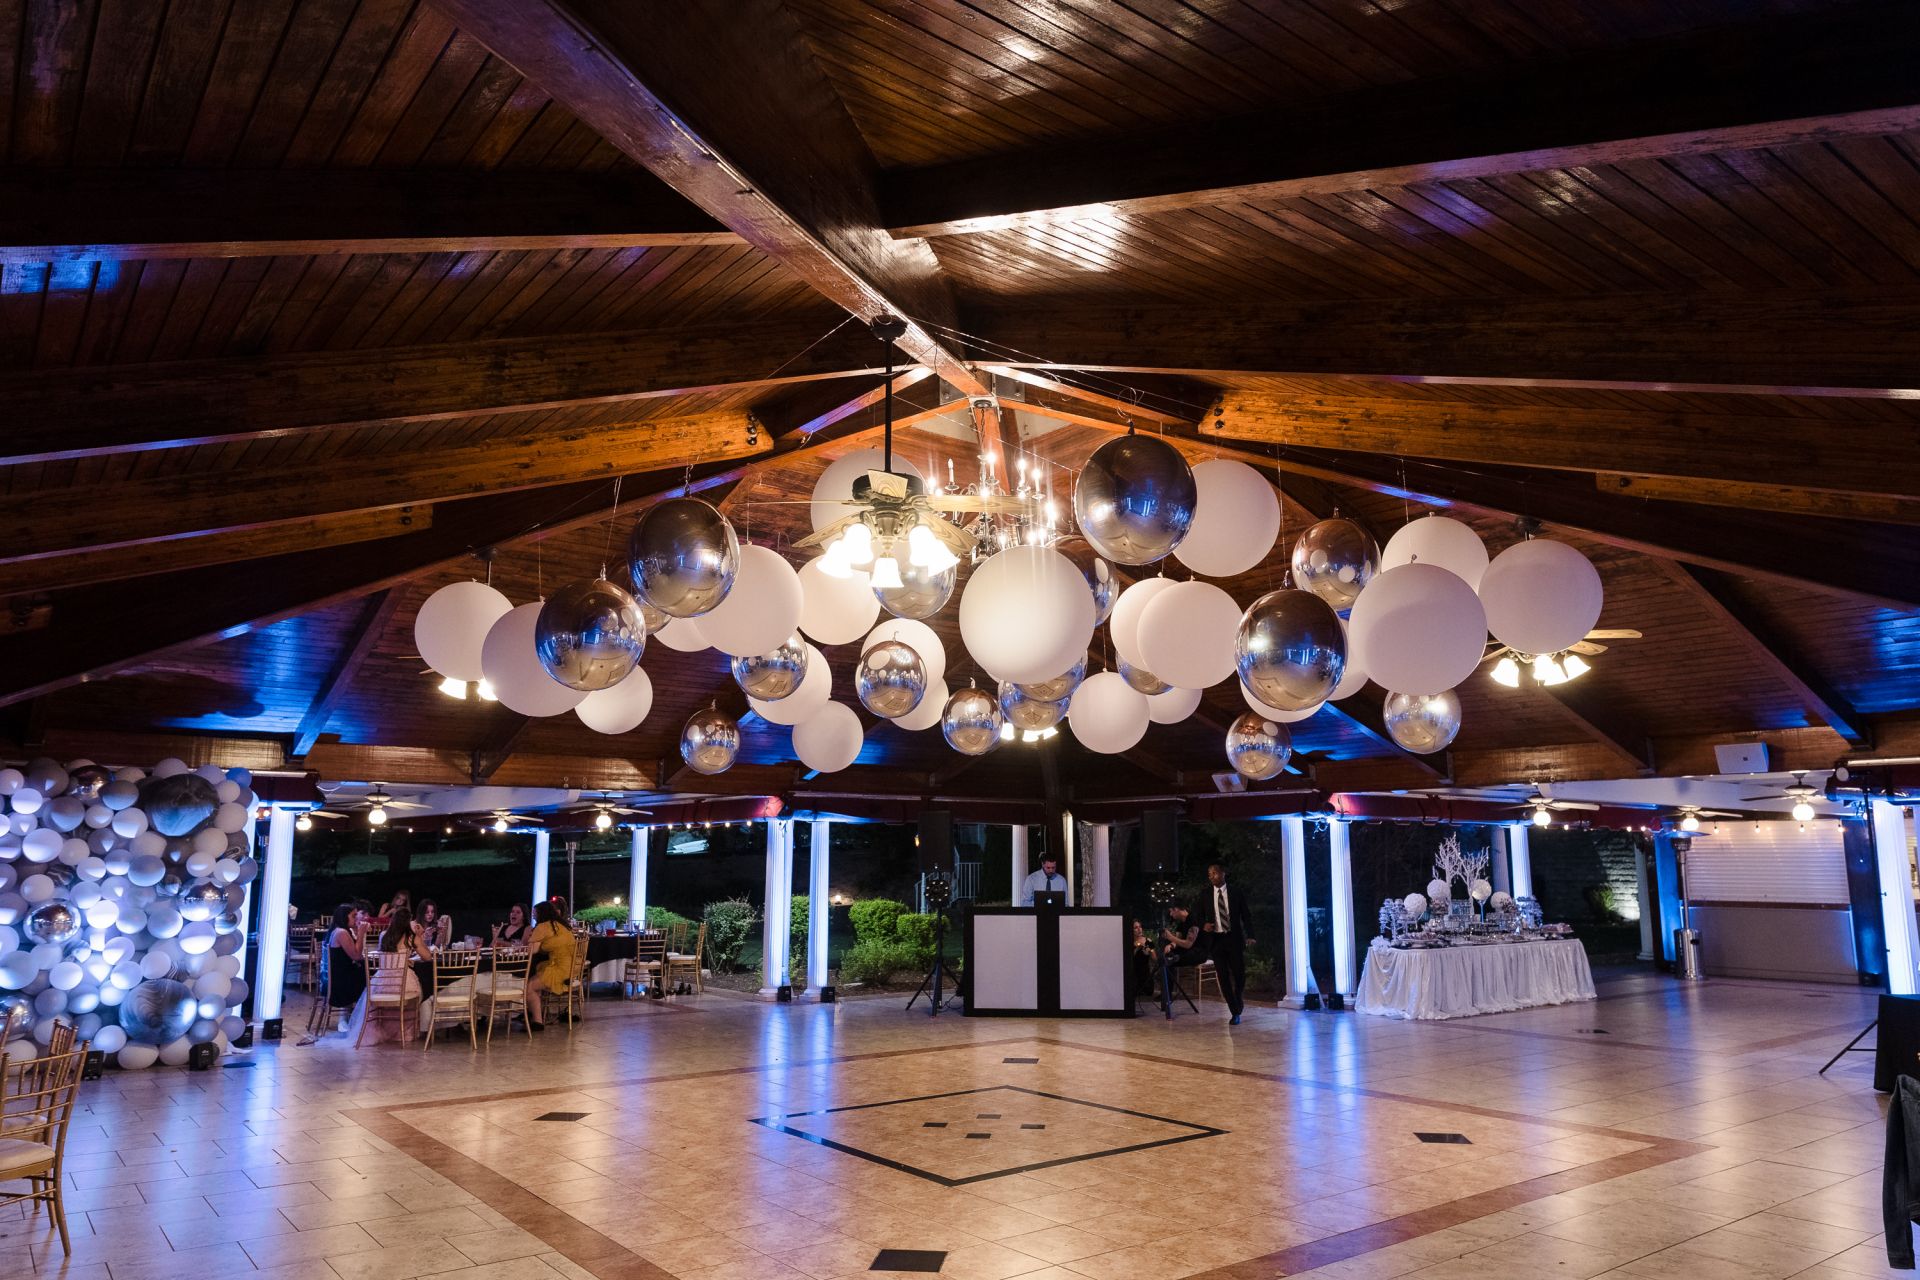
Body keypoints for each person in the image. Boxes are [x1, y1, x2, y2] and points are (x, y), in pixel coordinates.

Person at [1201, 863, 1254, 1024]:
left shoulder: (1236, 892)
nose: (1211, 876)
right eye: (1209, 873)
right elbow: (1196, 914)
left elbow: (1246, 915)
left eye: (1214, 873)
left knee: (1239, 975)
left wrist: (1250, 935)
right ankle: (1234, 1011)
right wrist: (1203, 925)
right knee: (1223, 977)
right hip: (1216, 941)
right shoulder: (1205, 894)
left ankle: (1238, 996)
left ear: (1223, 874)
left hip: (1234, 939)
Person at [524, 901, 578, 1031]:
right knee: (535, 978)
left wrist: (528, 940)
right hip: (572, 968)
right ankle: (538, 1014)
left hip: (559, 969)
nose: (533, 916)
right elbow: (552, 945)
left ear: (541, 913)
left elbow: (532, 951)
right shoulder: (561, 925)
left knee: (528, 987)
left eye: (535, 913)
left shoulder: (542, 927)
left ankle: (537, 1022)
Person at [380, 907, 433, 998]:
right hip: (402, 981)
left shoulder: (383, 935)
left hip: (382, 981)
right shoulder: (411, 937)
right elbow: (427, 957)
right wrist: (419, 936)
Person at [326, 902, 367, 1018]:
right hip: (341, 982)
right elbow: (356, 956)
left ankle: (360, 1018)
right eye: (353, 916)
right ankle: (362, 1018)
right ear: (344, 916)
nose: (356, 918)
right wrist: (361, 933)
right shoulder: (341, 932)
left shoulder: (342, 930)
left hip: (343, 975)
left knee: (369, 971)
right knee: (373, 978)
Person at [1130, 919, 1158, 1001]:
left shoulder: (1148, 941)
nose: (1139, 929)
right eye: (1136, 927)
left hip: (1145, 975)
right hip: (1133, 976)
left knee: (1148, 991)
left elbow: (1155, 959)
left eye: (1140, 927)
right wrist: (1137, 948)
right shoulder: (1128, 942)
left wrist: (1150, 950)